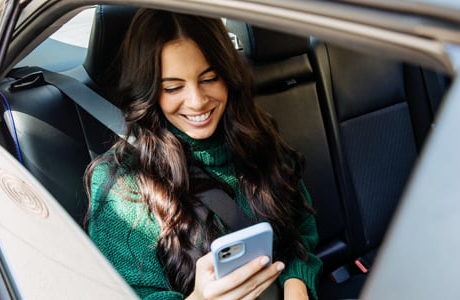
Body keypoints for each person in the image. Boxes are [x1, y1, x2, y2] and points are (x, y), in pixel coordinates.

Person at [85, 7, 322, 300]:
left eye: (210, 78)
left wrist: (296, 284)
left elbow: (299, 230)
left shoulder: (256, 137)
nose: (197, 102)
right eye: (173, 87)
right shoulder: (122, 186)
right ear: (148, 91)